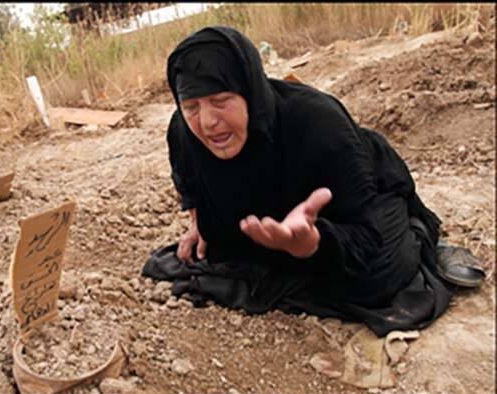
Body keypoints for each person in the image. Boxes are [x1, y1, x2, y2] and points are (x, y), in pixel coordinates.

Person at [141, 25, 485, 337]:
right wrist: (198, 222)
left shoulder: (319, 123)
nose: (208, 122)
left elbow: (364, 232)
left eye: (221, 101)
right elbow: (188, 179)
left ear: (251, 90)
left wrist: (313, 243)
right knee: (210, 252)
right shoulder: (183, 132)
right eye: (192, 106)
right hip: (271, 218)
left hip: (354, 200)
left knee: (379, 281)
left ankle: (424, 236)